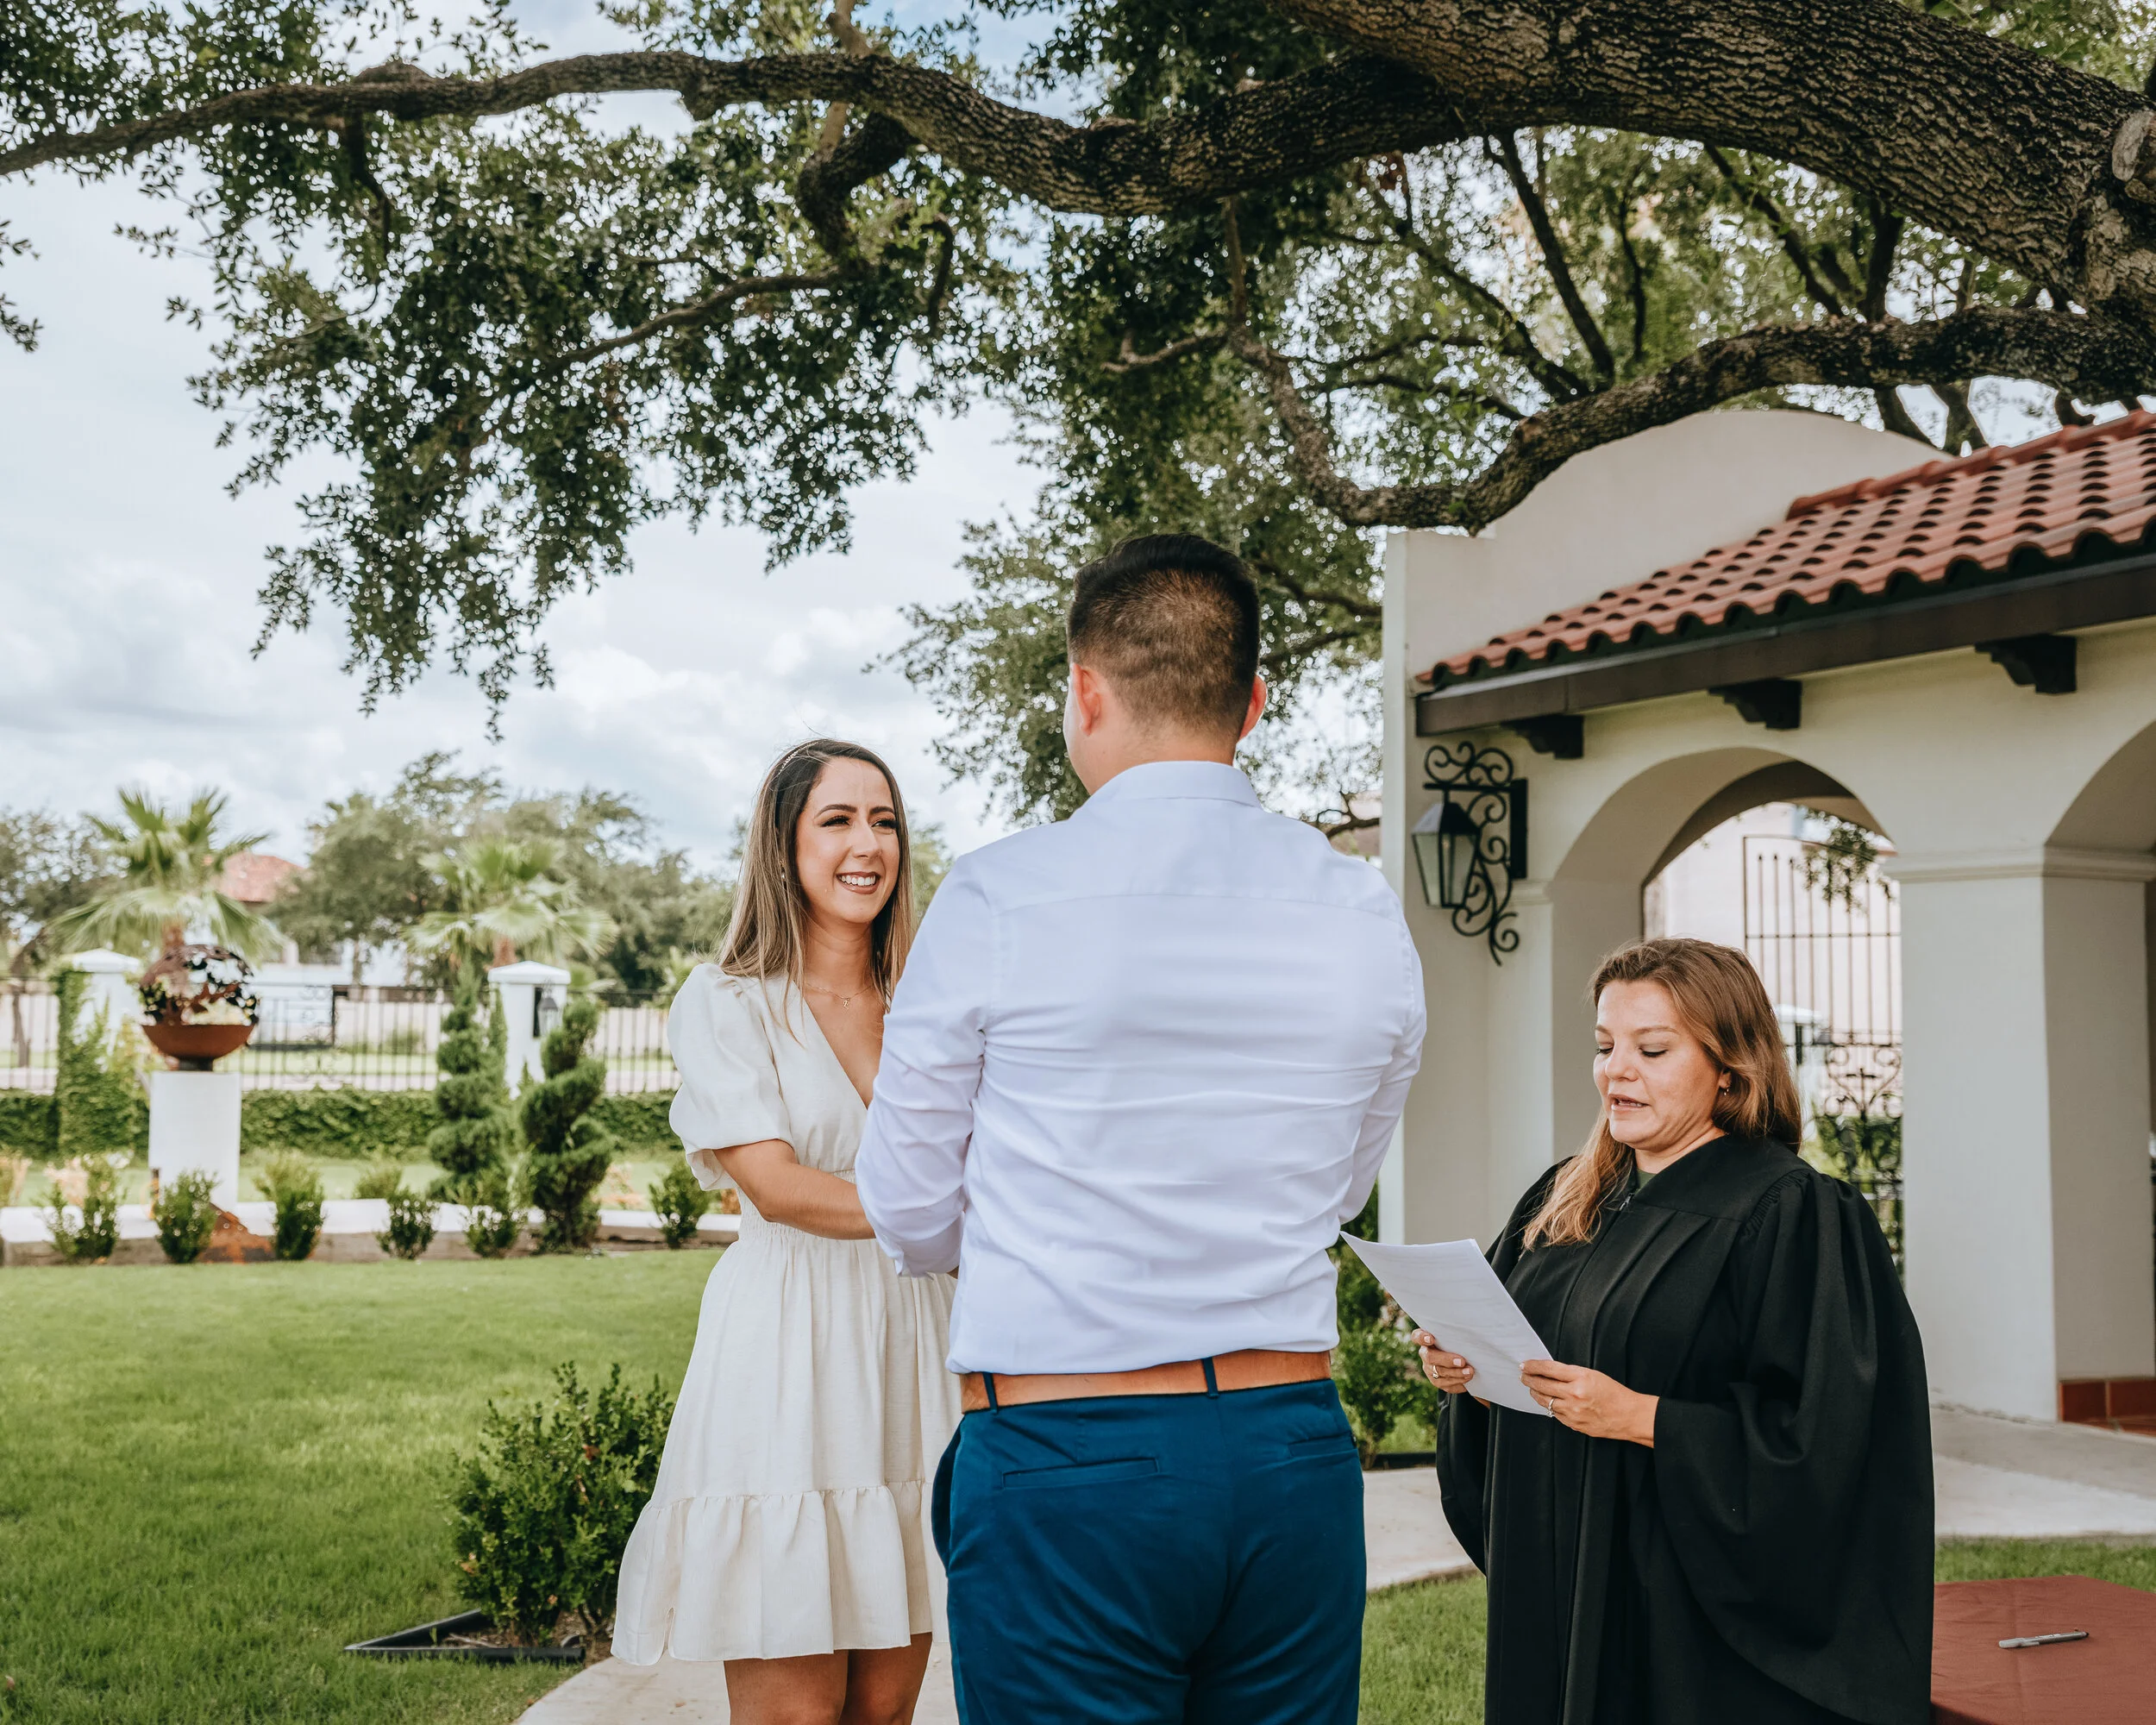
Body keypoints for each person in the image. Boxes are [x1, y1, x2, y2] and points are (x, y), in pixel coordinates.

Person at [855, 533, 1426, 1725]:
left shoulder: (1001, 894)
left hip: (1070, 1450)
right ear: (1253, 703)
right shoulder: (1360, 905)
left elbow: (906, 1208)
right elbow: (1338, 1188)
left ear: (1084, 690)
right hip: (1290, 1451)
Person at [1420, 937, 1932, 1725]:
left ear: (1729, 1066)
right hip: (1557, 1578)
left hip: (1682, 1616)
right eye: (1605, 1046)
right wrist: (1472, 1379)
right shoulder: (1566, 1198)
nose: (1615, 1071)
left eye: (1651, 1050)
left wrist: (1641, 1417)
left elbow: (1833, 1438)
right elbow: (1522, 1359)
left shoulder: (1790, 1212)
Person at [612, 739, 961, 1725]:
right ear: (782, 844)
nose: (867, 844)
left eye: (884, 820)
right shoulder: (727, 1001)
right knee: (795, 1715)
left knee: (884, 1712)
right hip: (789, 1350)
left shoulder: (929, 1007)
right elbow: (775, 1186)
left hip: (914, 1343)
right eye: (837, 819)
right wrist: (951, 1215)